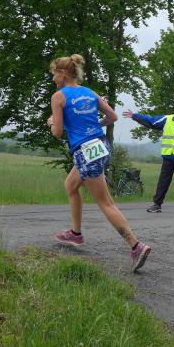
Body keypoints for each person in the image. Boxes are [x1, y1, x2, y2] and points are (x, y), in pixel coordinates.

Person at [47, 54, 150, 272]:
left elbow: (57, 132)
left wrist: (52, 122)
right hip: (101, 145)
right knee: (71, 185)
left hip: (85, 151)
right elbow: (112, 117)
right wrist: (94, 126)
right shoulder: (89, 92)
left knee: (106, 203)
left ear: (63, 74)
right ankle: (75, 234)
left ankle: (136, 246)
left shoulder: (59, 96)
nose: (53, 79)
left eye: (54, 74)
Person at [123, 99, 174, 215]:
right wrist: (135, 116)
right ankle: (157, 204)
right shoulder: (167, 119)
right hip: (168, 157)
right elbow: (151, 120)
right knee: (163, 182)